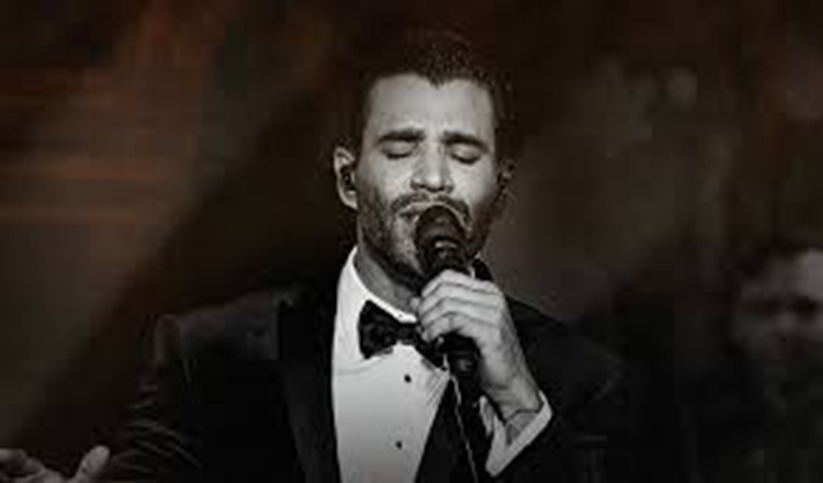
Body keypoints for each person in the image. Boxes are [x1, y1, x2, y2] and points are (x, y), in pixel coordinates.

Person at [0, 30, 632, 482]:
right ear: (347, 179)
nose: (434, 178)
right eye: (402, 148)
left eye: (464, 153)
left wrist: (519, 403)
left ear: (501, 190)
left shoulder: (579, 379)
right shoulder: (210, 354)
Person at [690, 238, 823, 482]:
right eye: (763, 309)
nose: (784, 327)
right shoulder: (695, 423)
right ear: (734, 325)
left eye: (806, 309)